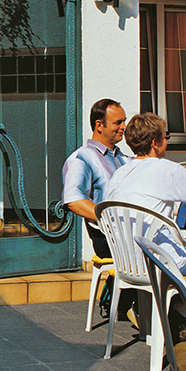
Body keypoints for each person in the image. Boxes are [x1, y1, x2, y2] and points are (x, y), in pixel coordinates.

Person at [105, 112, 186, 276]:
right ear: (155, 143)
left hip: (130, 264)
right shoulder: (165, 168)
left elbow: (167, 183)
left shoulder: (120, 173)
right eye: (166, 137)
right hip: (165, 262)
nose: (167, 141)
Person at [61, 98, 129, 259]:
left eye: (124, 122)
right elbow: (74, 200)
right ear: (99, 125)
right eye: (118, 122)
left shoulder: (121, 157)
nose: (124, 127)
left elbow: (150, 170)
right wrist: (111, 220)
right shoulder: (82, 158)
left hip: (131, 234)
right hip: (110, 239)